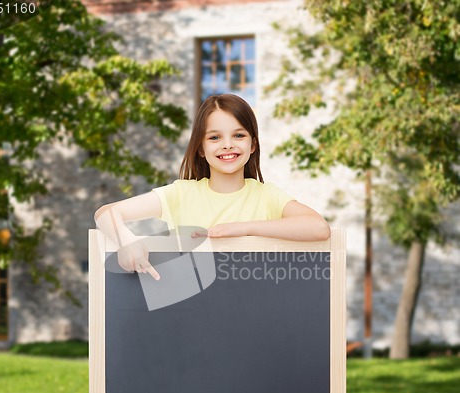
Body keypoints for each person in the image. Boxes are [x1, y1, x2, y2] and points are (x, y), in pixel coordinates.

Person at [94, 93, 330, 280]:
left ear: (253, 145)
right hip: (190, 319)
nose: (227, 145)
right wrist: (126, 241)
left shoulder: (266, 195)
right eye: (214, 138)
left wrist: (243, 229)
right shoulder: (181, 194)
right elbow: (107, 213)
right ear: (200, 148)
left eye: (238, 135)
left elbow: (318, 228)